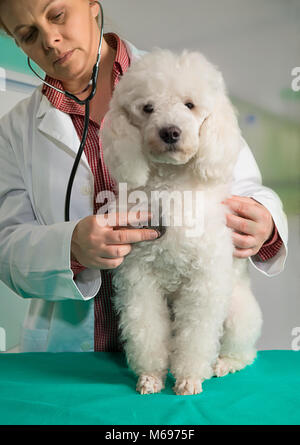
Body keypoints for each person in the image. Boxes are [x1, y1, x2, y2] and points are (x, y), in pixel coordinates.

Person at [0, 0, 288, 353]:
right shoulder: (15, 129)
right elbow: (6, 243)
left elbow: (239, 180)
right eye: (28, 35)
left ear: (92, 5)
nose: (50, 40)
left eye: (57, 14)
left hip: (183, 344)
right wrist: (70, 246)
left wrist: (265, 222)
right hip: (73, 351)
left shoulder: (183, 81)